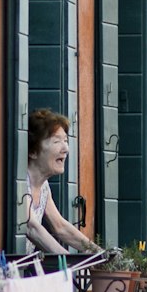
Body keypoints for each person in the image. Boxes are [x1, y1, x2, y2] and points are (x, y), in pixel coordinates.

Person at [22, 109, 96, 255]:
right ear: (33, 151)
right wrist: (67, 261)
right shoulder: (21, 182)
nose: (66, 149)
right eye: (57, 141)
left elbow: (60, 226)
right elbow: (31, 227)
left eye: (66, 141)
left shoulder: (43, 186)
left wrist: (99, 253)